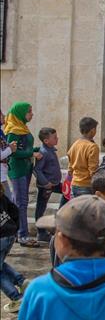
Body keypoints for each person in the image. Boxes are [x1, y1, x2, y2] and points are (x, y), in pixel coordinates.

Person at [4, 102, 39, 246]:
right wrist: (32, 153)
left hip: (26, 168)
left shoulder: (22, 127)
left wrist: (39, 149)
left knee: (20, 201)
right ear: (20, 113)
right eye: (29, 111)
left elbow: (27, 147)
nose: (32, 114)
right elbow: (13, 152)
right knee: (21, 203)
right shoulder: (13, 131)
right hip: (18, 170)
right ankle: (22, 234)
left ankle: (18, 231)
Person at [1, 183, 29, 313]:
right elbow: (14, 210)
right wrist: (14, 227)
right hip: (9, 234)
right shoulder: (2, 195)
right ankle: (22, 282)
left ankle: (16, 297)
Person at [33, 127, 62, 243]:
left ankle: (58, 223)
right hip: (46, 186)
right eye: (54, 137)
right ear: (46, 141)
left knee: (67, 193)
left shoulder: (51, 150)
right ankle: (41, 233)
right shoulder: (43, 152)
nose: (57, 139)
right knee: (41, 208)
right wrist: (45, 183)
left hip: (54, 183)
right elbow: (37, 170)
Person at [67, 117, 100, 199]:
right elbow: (93, 170)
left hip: (75, 184)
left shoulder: (75, 144)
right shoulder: (93, 147)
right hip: (86, 185)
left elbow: (70, 167)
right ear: (92, 130)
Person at [0, 109, 15, 199]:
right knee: (8, 201)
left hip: (3, 174)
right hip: (1, 177)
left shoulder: (1, 133)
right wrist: (10, 149)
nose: (4, 115)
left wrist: (8, 146)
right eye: (1, 114)